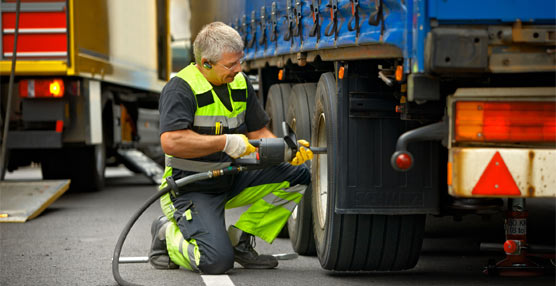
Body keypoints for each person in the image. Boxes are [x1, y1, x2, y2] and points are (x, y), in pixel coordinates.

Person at [149, 22, 313, 274]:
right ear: (205, 63)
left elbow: (259, 131)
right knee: (215, 262)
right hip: (190, 186)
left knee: (298, 175)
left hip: (231, 176)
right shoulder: (180, 89)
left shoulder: (240, 83)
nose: (239, 69)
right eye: (231, 65)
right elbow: (172, 141)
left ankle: (240, 240)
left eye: (240, 61)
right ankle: (166, 234)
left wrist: (285, 149)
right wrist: (225, 142)